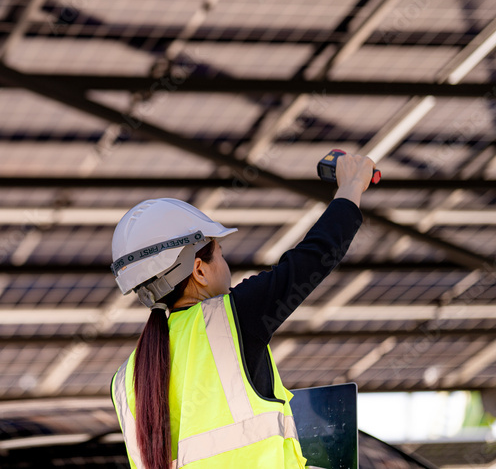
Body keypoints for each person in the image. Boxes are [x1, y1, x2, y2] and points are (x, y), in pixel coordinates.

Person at [109, 153, 376, 469]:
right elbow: (315, 256)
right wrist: (352, 186)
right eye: (219, 253)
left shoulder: (124, 382)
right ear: (200, 270)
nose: (226, 265)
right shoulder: (231, 318)